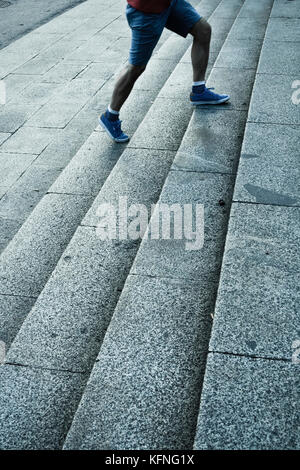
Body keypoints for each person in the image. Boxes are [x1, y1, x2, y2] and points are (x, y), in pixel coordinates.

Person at [100, 0, 230, 143]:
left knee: (203, 30)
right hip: (147, 9)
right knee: (136, 67)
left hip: (169, 3)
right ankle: (110, 116)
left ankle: (199, 91)